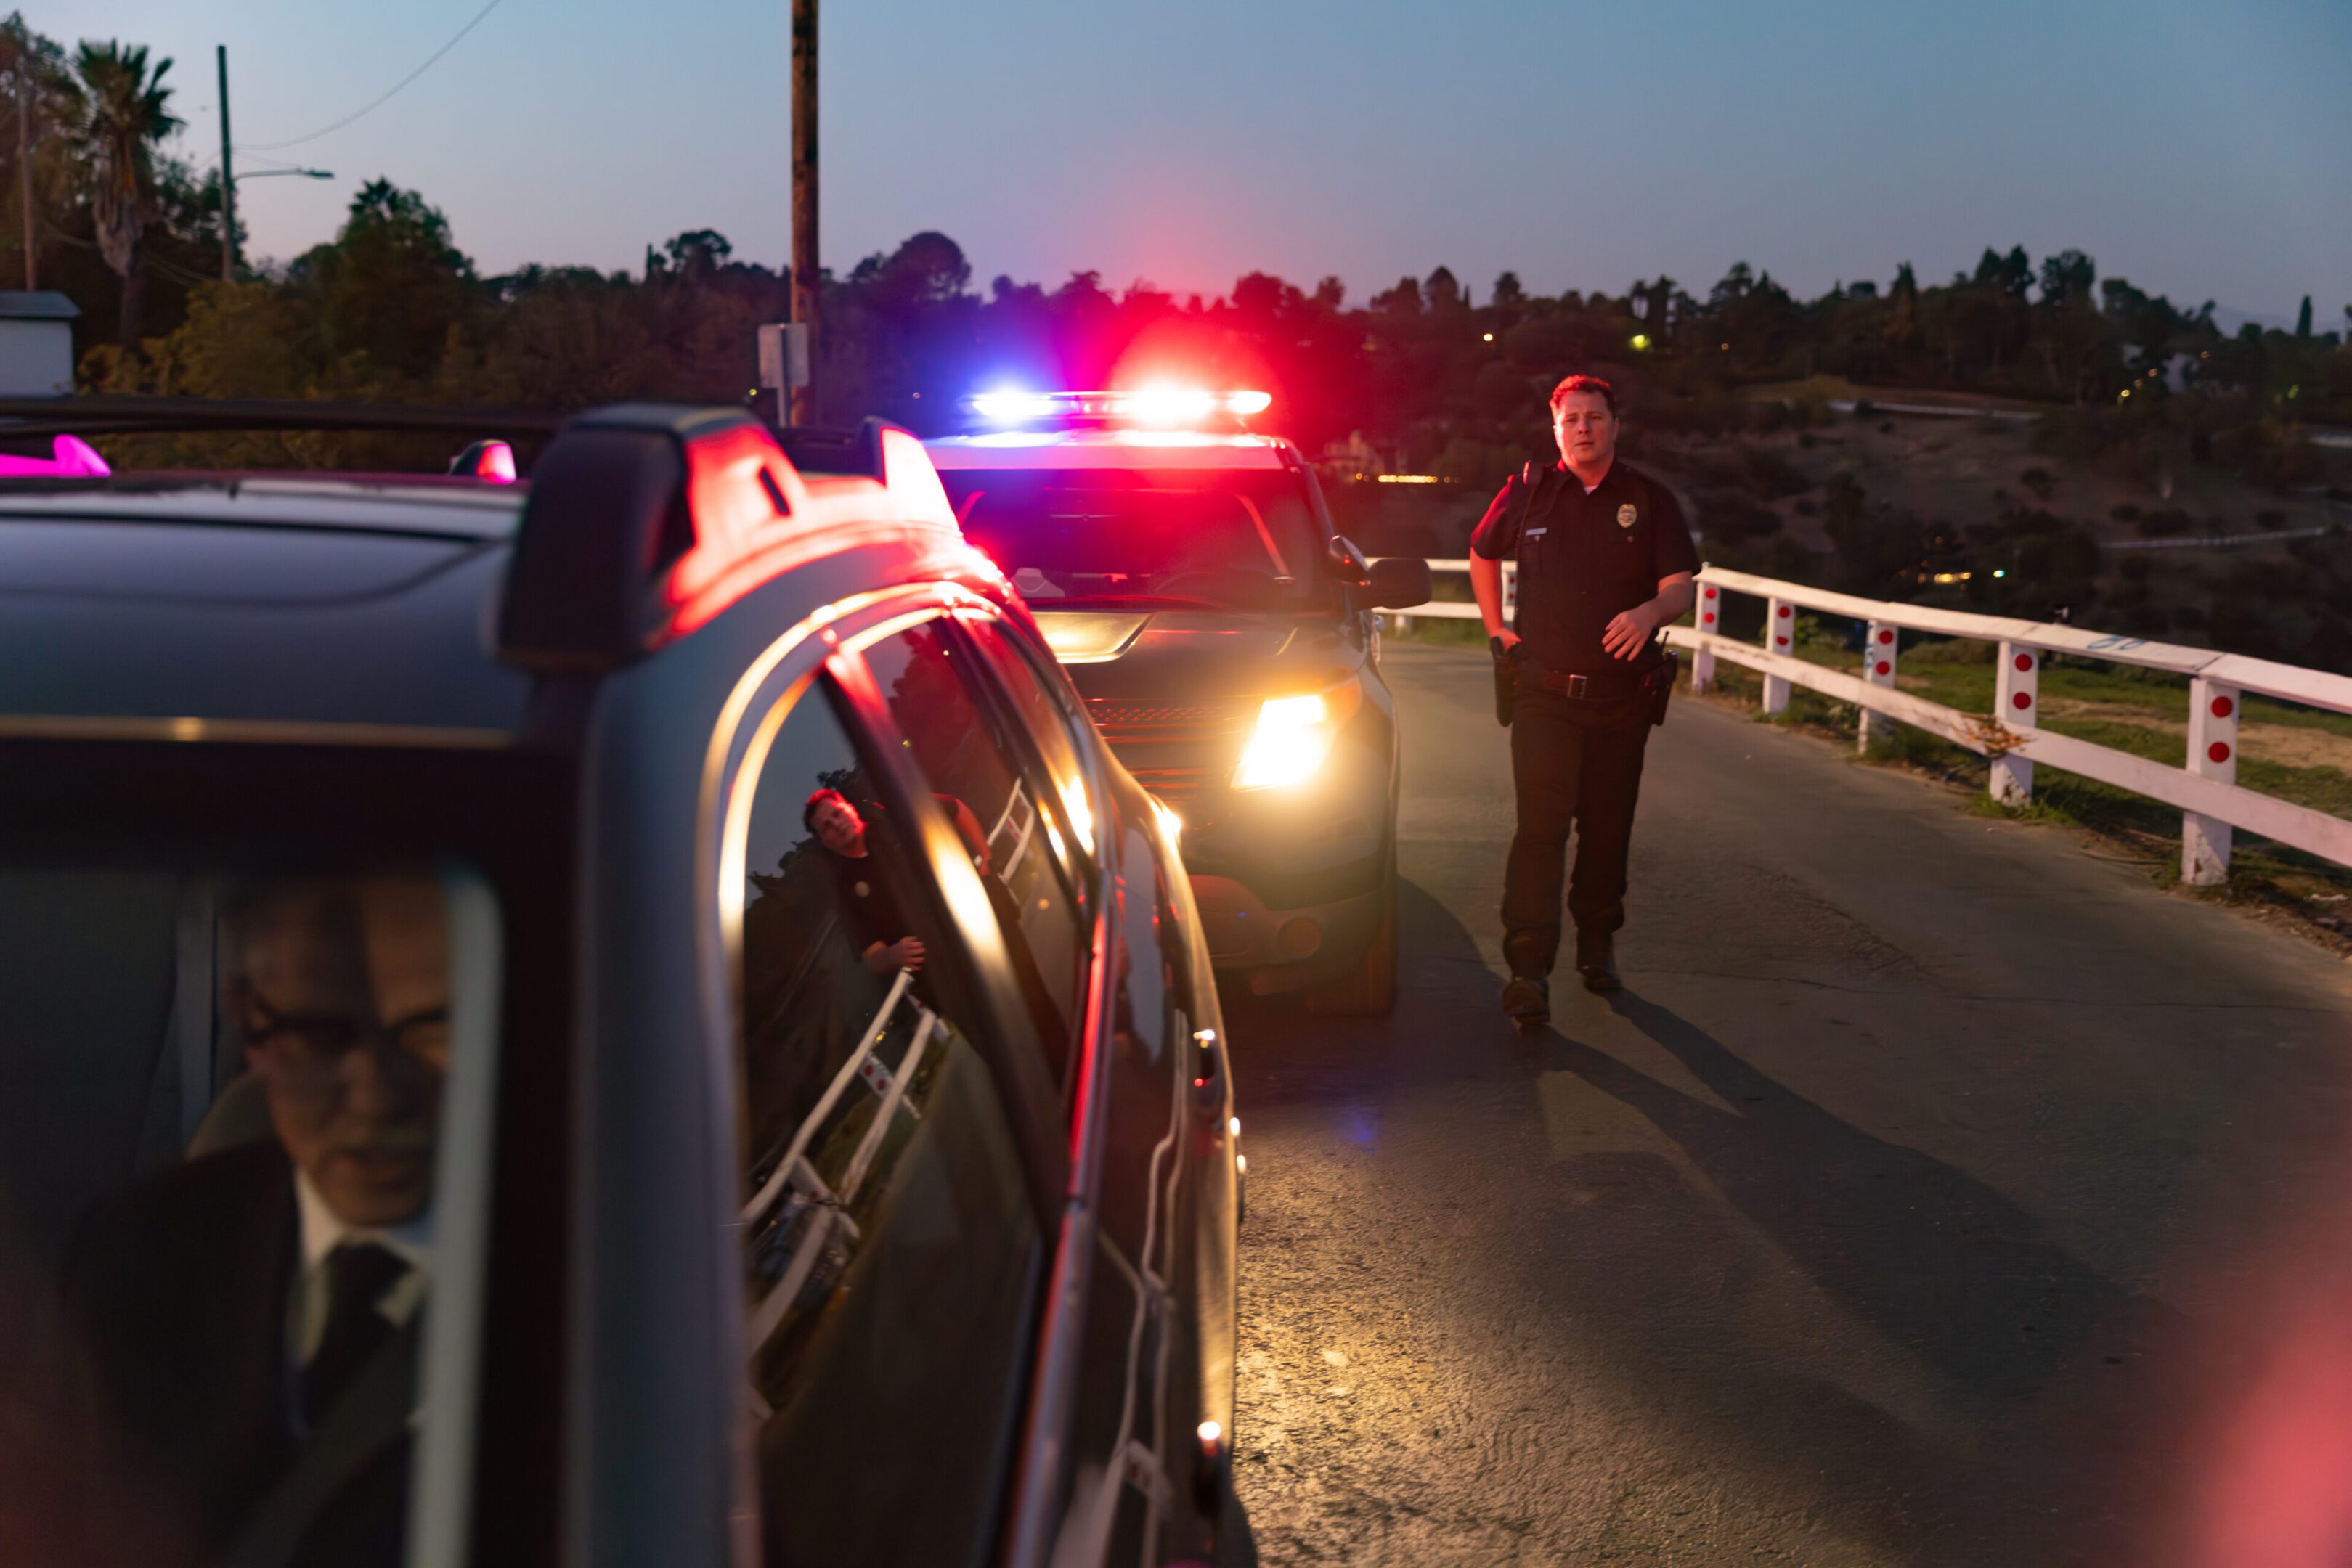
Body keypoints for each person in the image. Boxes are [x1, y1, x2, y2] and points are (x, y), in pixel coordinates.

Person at [62, 875, 447, 1568]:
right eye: (317, 1033)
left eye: (432, 1029)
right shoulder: (135, 1253)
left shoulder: (603, 1281)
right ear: (247, 1019)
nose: (376, 1094)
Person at [1470, 374, 1698, 1023]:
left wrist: (1649, 612)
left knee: (1606, 830)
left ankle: (1597, 946)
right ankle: (1527, 970)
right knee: (1539, 832)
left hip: (1622, 700)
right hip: (1542, 693)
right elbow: (1480, 552)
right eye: (1570, 419)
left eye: (1593, 417)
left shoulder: (1648, 499)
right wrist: (1496, 629)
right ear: (1554, 427)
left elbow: (1679, 584)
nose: (1582, 428)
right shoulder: (1528, 492)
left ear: (1614, 426)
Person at [805, 787, 927, 976]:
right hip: (934, 973)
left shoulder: (890, 822)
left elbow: (953, 809)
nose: (836, 824)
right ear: (823, 842)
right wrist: (892, 955)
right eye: (827, 827)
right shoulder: (844, 890)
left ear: (850, 807)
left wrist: (985, 859)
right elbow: (873, 957)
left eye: (837, 813)